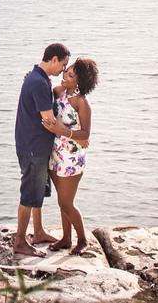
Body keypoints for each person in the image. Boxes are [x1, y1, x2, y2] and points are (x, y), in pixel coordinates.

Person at [13, 43, 70, 257]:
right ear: (54, 59)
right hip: (32, 147)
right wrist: (77, 136)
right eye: (63, 65)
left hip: (34, 144)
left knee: (38, 192)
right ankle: (20, 242)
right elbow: (49, 121)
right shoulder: (38, 82)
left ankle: (38, 232)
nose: (63, 70)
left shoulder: (40, 78)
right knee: (29, 194)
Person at [42, 57, 99, 255]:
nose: (65, 75)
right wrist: (30, 79)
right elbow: (41, 91)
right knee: (61, 200)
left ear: (80, 81)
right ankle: (66, 238)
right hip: (54, 153)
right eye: (66, 71)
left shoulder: (82, 103)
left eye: (70, 75)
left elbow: (86, 134)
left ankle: (82, 240)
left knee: (66, 202)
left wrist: (63, 130)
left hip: (72, 158)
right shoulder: (58, 92)